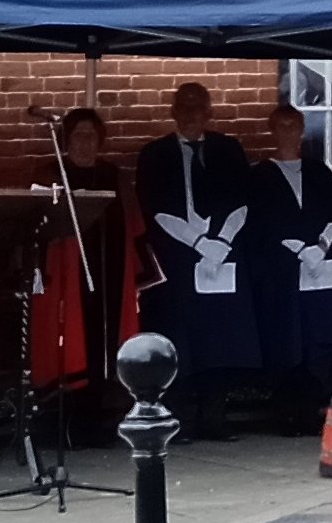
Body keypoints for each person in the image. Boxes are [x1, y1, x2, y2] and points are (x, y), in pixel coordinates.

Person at [138, 83, 260, 432]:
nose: (192, 114)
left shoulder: (229, 150)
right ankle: (179, 417)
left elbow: (243, 199)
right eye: (184, 107)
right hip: (177, 260)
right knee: (179, 336)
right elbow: (154, 206)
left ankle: (215, 416)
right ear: (173, 111)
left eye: (198, 108)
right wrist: (198, 243)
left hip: (224, 256)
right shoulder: (154, 155)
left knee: (219, 335)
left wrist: (220, 241)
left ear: (209, 112)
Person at [33, 108, 145, 396]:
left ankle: (105, 410)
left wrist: (138, 276)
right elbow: (33, 224)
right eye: (78, 135)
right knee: (72, 343)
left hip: (111, 276)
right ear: (66, 139)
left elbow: (134, 225)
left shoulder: (114, 176)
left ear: (100, 140)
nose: (85, 142)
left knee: (108, 343)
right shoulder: (51, 174)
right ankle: (73, 417)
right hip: (67, 277)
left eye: (91, 135)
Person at [250, 102, 332, 433]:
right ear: (273, 130)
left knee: (317, 339)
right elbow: (261, 223)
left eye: (294, 126)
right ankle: (287, 412)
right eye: (282, 126)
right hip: (283, 272)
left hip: (320, 269)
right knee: (287, 338)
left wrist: (320, 246)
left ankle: (314, 408)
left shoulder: (318, 171)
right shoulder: (259, 175)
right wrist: (296, 250)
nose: (289, 132)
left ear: (302, 130)